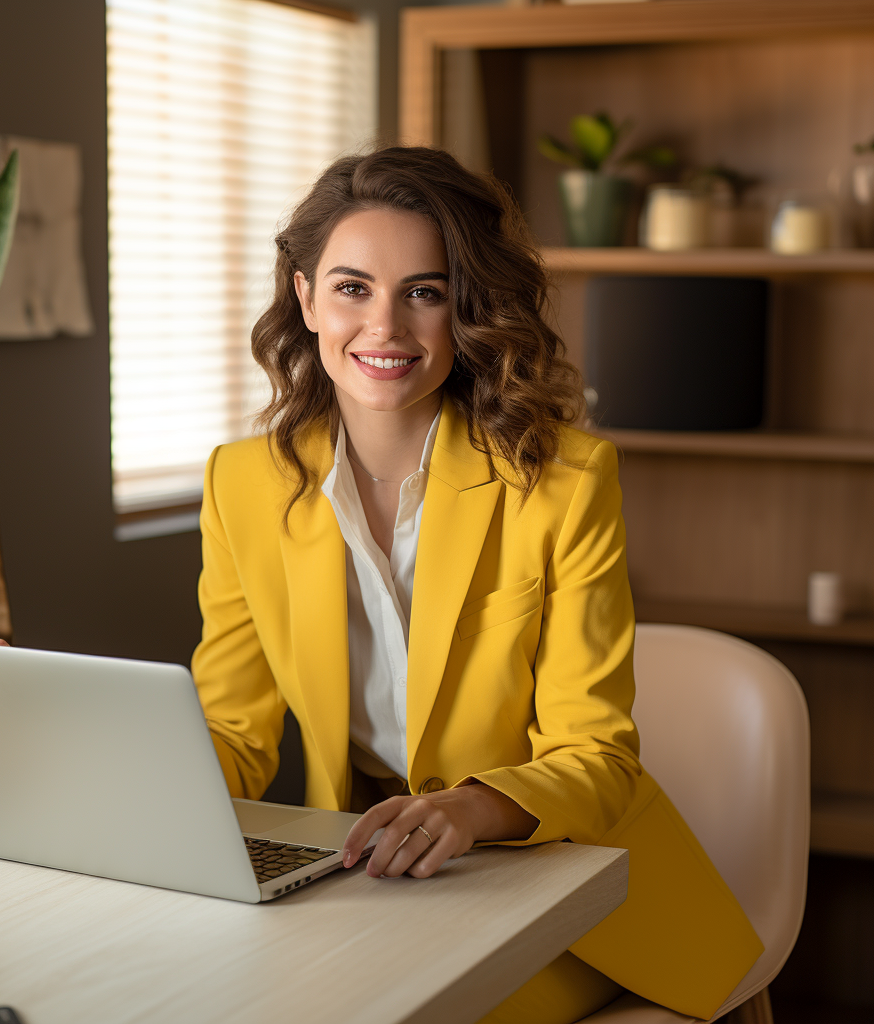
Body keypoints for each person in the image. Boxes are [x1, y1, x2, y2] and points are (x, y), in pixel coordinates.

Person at [191, 147, 762, 1024]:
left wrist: (474, 805)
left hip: (567, 891)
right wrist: (114, 775)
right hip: (369, 875)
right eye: (352, 288)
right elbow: (234, 731)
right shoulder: (244, 484)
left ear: (466, 309)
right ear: (305, 298)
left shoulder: (564, 485)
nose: (383, 327)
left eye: (423, 292)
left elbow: (598, 758)